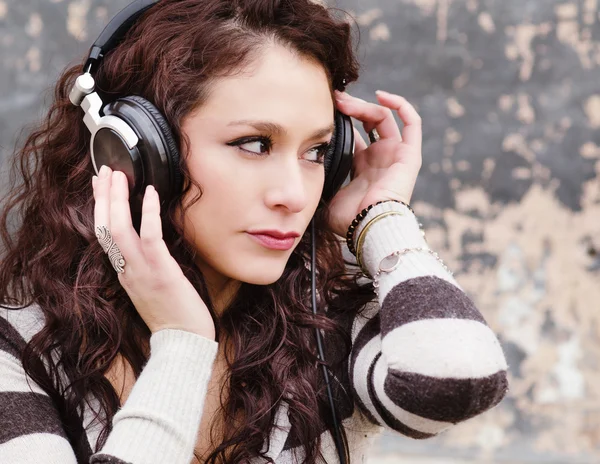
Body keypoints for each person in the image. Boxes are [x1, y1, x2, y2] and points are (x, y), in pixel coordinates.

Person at [0, 0, 509, 463]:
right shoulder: (17, 352)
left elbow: (457, 382)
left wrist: (381, 215)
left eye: (315, 152)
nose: (295, 194)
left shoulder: (320, 331)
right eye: (254, 143)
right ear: (135, 156)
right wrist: (182, 343)